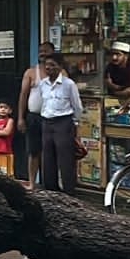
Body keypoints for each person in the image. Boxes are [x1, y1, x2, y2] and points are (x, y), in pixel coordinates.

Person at [36, 54, 83, 194]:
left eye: (52, 65)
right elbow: (43, 103)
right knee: (48, 158)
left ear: (60, 67)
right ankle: (51, 191)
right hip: (47, 122)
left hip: (63, 122)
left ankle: (69, 191)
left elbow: (77, 106)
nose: (49, 68)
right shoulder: (42, 84)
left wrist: (74, 123)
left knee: (65, 158)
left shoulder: (69, 84)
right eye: (47, 65)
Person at [15, 40, 56, 188]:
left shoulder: (60, 73)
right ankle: (32, 183)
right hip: (34, 117)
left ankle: (49, 184)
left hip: (52, 118)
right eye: (40, 51)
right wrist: (20, 118)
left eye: (46, 50)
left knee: (50, 152)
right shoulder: (31, 72)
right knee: (33, 151)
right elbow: (23, 95)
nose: (43, 53)